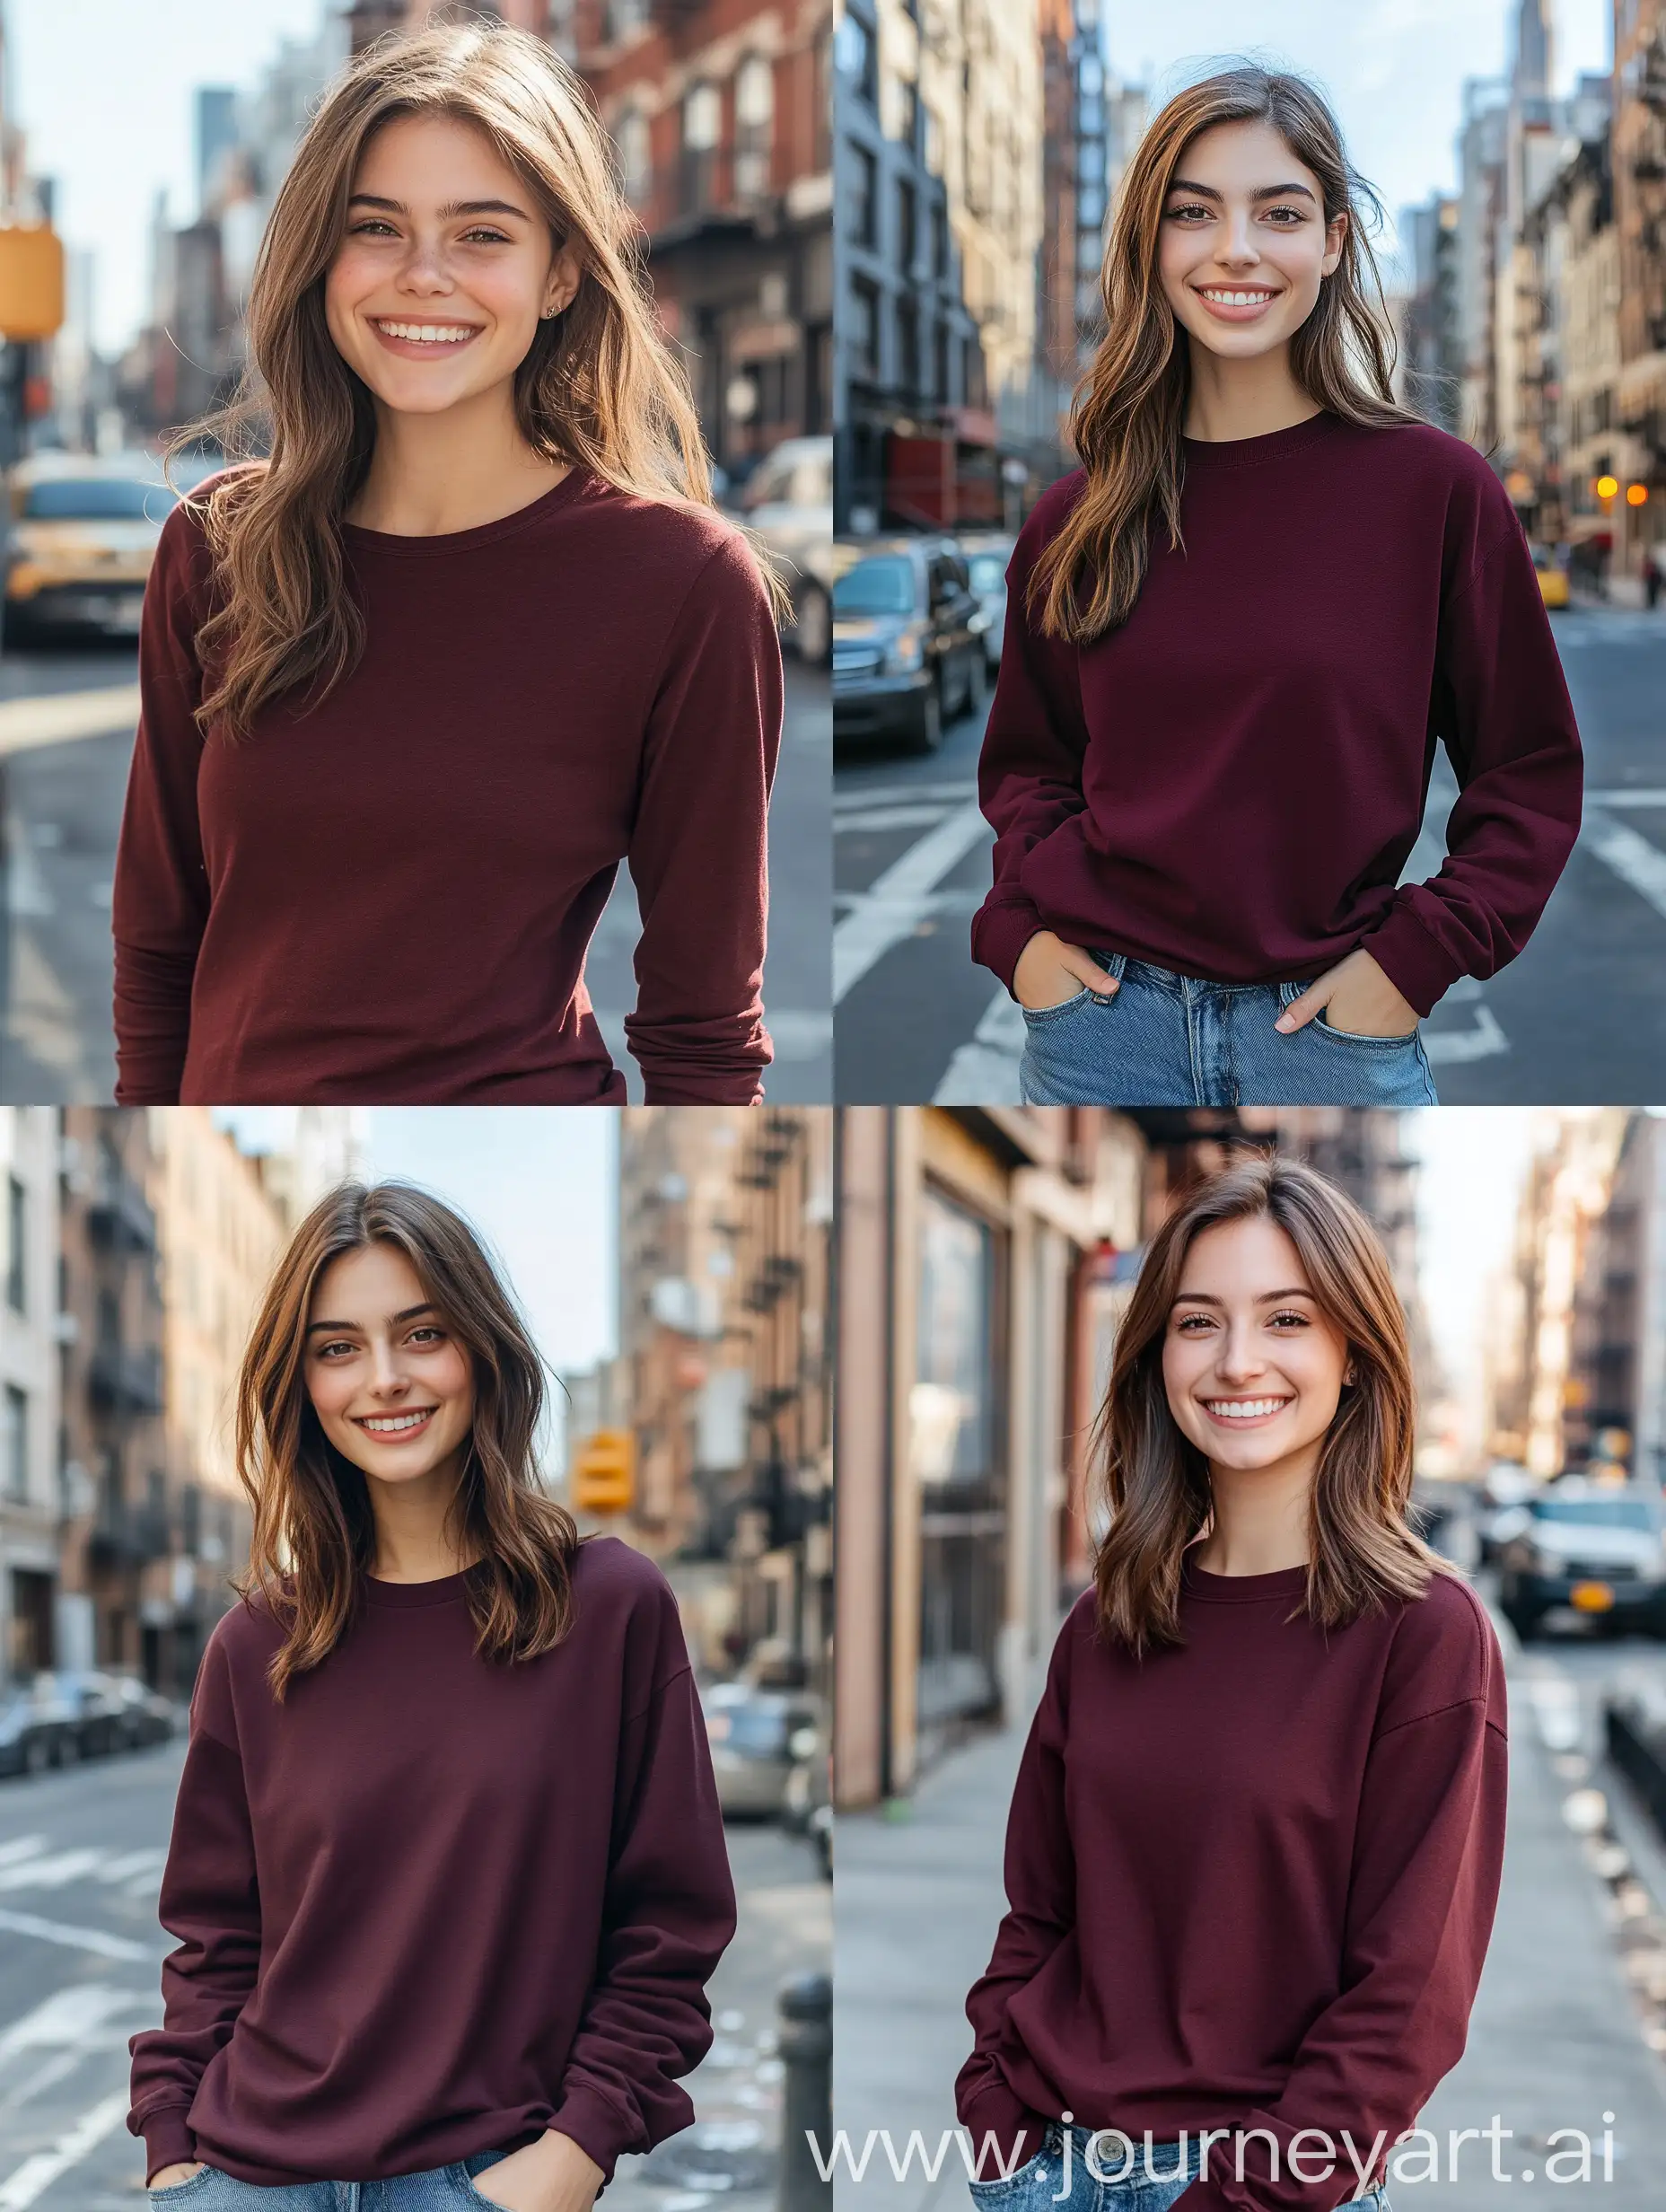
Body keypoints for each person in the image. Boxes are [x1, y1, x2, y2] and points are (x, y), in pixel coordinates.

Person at [112, 19, 785, 1107]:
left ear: (562, 272)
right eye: (376, 227)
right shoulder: (215, 545)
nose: (422, 277)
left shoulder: (685, 585)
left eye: (482, 235)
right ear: (321, 258)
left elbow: (705, 1038)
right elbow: (156, 948)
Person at [972, 66, 1583, 1107]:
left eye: (1280, 212)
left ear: (1335, 241)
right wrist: (1020, 938)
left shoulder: (1436, 493)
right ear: (1148, 245)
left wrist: (1415, 959)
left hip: (1333, 1040)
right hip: (1098, 1035)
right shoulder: (1072, 517)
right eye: (1192, 212)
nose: (1236, 249)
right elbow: (1031, 771)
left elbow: (1526, 772)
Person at [129, 1181, 735, 2210]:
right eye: (337, 1347)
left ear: (480, 1348)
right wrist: (174, 2154)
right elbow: (215, 1942)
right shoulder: (255, 1645)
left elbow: (668, 1927)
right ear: (302, 1382)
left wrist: (573, 2152)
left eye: (421, 1333)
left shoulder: (610, 1608)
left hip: (485, 2180)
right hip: (246, 2176)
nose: (384, 1378)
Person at [955, 1156, 1507, 2212]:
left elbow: (1408, 1997)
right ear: (1157, 1352)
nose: (1235, 1361)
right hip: (1044, 2170)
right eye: (1197, 1321)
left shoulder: (1424, 1634)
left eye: (1286, 1318)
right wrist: (994, 2110)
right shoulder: (1106, 1620)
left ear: (1353, 1354)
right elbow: (1039, 1909)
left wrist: (1235, 2197)